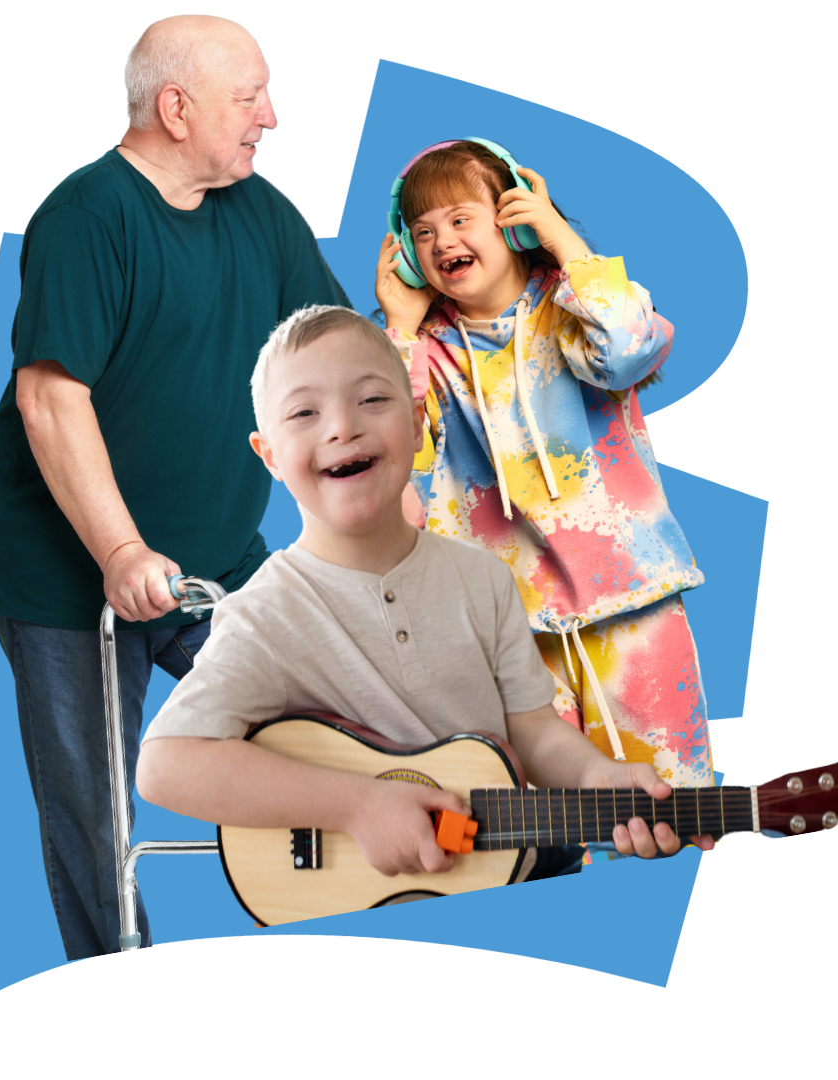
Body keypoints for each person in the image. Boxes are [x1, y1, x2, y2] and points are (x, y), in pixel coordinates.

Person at [0, 15, 349, 961]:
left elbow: (331, 346)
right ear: (177, 109)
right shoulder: (88, 216)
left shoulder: (258, 211)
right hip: (69, 577)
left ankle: (335, 915)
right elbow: (51, 398)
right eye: (248, 97)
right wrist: (120, 551)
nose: (271, 115)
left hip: (216, 557)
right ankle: (120, 989)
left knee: (333, 726)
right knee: (96, 815)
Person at [136, 305, 715, 887]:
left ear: (417, 426)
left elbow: (534, 731)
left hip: (506, 884)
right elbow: (164, 764)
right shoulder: (262, 615)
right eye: (305, 412)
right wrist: (357, 807)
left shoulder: (486, 580)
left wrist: (596, 777)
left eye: (371, 399)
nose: (342, 427)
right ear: (269, 457)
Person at [373, 138, 711, 801]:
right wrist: (400, 332)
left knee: (669, 811)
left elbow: (628, 350)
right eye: (423, 232)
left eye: (460, 218)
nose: (442, 241)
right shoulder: (425, 352)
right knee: (541, 828)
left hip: (631, 599)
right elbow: (393, 460)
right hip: (506, 631)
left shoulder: (572, 310)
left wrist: (562, 240)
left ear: (514, 223)